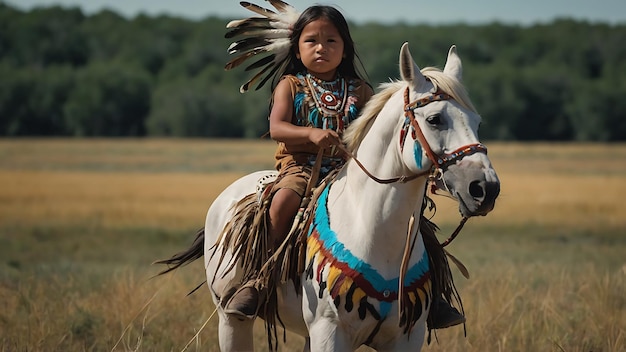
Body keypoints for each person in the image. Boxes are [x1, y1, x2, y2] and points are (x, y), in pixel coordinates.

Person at [222, 4, 464, 330]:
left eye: (331, 41)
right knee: (281, 202)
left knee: (411, 213)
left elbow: (377, 134)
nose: (321, 48)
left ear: (345, 48)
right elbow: (277, 128)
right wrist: (310, 133)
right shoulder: (290, 85)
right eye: (311, 41)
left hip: (351, 171)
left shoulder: (360, 89)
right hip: (300, 168)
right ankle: (259, 279)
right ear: (297, 48)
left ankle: (429, 293)